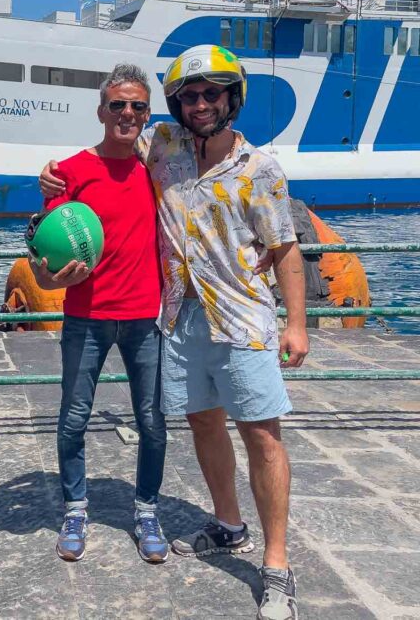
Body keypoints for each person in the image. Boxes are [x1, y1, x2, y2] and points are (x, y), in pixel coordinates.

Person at [39, 45, 308, 620]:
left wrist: (297, 324)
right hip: (182, 320)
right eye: (190, 95)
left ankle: (278, 567)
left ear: (231, 99)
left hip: (244, 323)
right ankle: (229, 525)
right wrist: (48, 181)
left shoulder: (261, 169)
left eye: (212, 94)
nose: (201, 103)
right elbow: (89, 176)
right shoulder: (165, 149)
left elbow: (285, 247)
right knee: (204, 424)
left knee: (262, 437)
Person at [32, 64, 169, 564]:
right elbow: (44, 254)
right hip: (85, 318)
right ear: (101, 111)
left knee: (153, 421)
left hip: (144, 319)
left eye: (136, 106)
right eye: (118, 105)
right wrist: (48, 279)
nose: (127, 113)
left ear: (146, 115)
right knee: (73, 418)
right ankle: (75, 508)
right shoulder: (68, 171)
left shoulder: (158, 169)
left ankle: (147, 510)